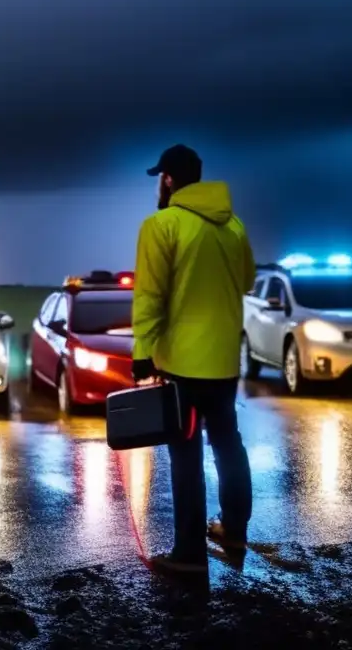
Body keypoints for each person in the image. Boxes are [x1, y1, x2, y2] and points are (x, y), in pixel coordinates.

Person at [131, 143, 256, 576]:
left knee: (186, 456)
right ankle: (234, 530)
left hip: (181, 365)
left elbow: (149, 294)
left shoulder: (161, 225)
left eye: (159, 179)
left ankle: (188, 554)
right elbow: (246, 280)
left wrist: (143, 353)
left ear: (167, 179)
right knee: (228, 446)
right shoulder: (234, 225)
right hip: (224, 361)